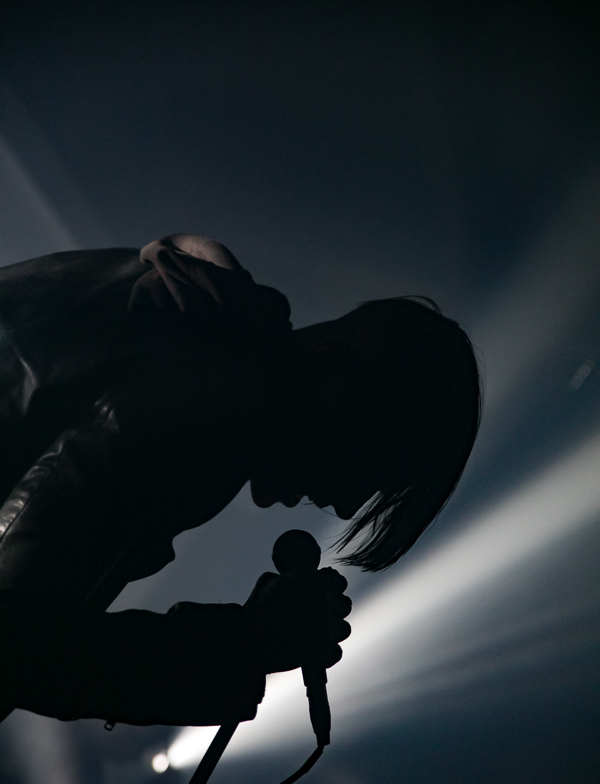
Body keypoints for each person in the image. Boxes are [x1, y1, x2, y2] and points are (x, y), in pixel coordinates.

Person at [0, 234, 480, 728]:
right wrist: (246, 644)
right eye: (374, 458)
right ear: (331, 363)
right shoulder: (197, 399)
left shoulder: (188, 324)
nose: (348, 502)